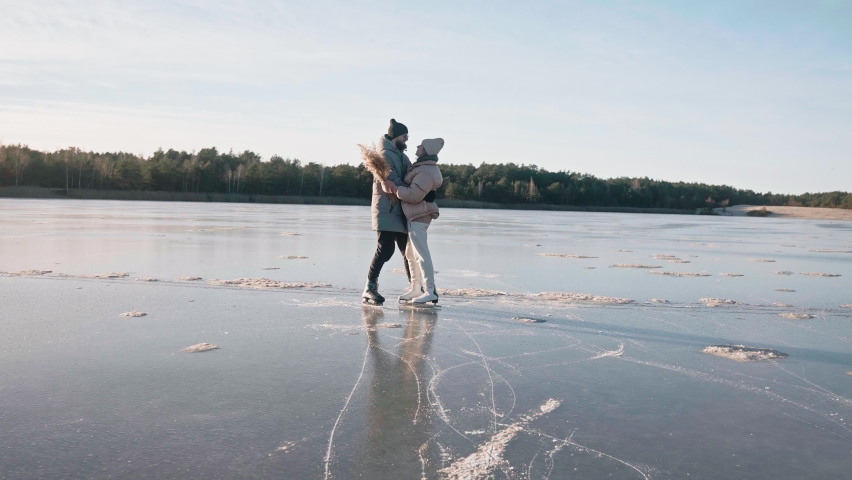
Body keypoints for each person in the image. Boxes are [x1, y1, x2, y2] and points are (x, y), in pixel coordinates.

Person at [382, 138, 444, 304]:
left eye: (421, 145)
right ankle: (416, 288)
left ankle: (430, 290)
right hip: (415, 214)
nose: (417, 146)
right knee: (410, 253)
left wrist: (394, 188)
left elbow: (414, 195)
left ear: (426, 150)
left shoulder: (425, 171)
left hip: (419, 215)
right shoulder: (423, 166)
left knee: (421, 253)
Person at [362, 119, 413, 305]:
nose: (407, 139)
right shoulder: (384, 154)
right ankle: (370, 287)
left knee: (407, 251)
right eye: (404, 135)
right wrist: (413, 192)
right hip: (386, 208)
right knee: (385, 249)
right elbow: (394, 180)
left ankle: (415, 288)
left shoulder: (401, 155)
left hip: (400, 208)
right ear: (395, 136)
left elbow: (411, 174)